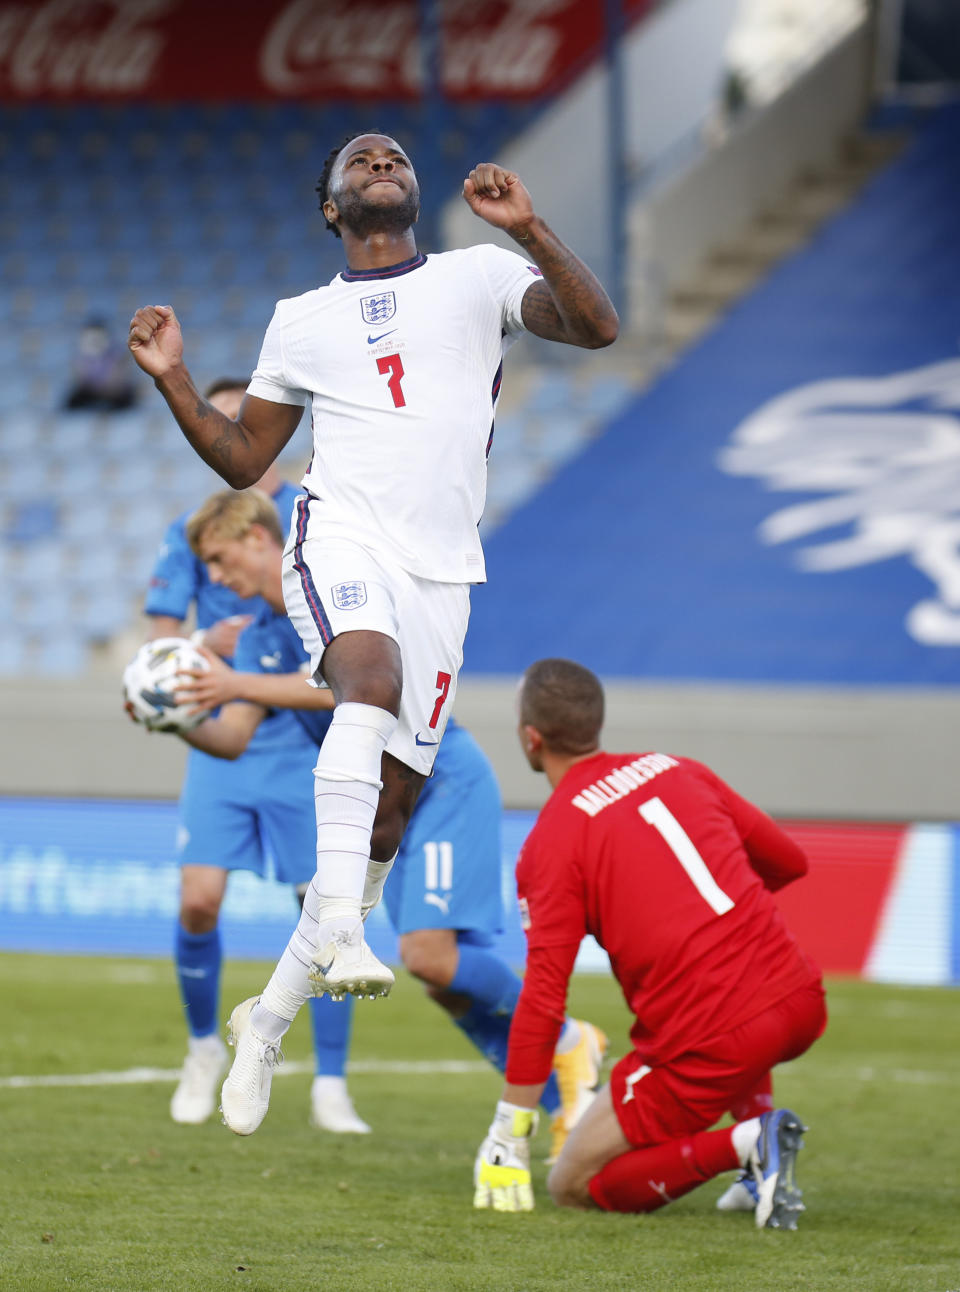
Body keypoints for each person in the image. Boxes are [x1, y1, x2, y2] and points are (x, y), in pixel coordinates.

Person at [127, 134, 620, 1092]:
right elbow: (242, 460)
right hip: (341, 533)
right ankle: (344, 927)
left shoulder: (481, 274)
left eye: (394, 156)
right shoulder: (300, 320)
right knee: (368, 678)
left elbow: (596, 327)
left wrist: (531, 229)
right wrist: (173, 378)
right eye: (361, 160)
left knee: (387, 823)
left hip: (442, 568)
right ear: (332, 207)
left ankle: (265, 1021)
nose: (382, 161)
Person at [174, 488, 608, 1146]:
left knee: (431, 957)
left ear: (259, 540)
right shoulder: (259, 636)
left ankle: (572, 1040)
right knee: (444, 978)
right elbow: (233, 735)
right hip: (374, 811)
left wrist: (236, 682)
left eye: (218, 555)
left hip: (437, 782)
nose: (212, 575)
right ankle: (558, 1099)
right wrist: (174, 718)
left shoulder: (336, 597)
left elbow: (360, 683)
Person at [473, 658, 827, 1230]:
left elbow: (543, 999)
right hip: (801, 1000)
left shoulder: (552, 844)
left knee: (573, 1182)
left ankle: (749, 1144)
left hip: (711, 1041)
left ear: (530, 737)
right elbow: (790, 862)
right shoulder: (678, 768)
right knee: (739, 1014)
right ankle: (756, 1169)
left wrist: (510, 1129)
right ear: (596, 723)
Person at [142, 379, 368, 1134]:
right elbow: (160, 640)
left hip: (298, 734)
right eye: (219, 420)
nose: (231, 431)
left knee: (321, 905)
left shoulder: (316, 512)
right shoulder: (192, 527)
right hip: (230, 714)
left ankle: (329, 1082)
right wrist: (194, 662)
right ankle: (204, 1046)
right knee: (199, 899)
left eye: (244, 418)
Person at [64, 316, 138, 411]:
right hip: (91, 395)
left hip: (116, 397)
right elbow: (79, 380)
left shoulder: (118, 355)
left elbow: (117, 383)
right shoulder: (80, 356)